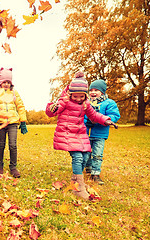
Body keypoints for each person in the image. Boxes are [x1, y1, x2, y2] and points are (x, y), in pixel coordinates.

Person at [45, 72, 116, 200]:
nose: (78, 99)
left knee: (86, 156)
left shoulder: (85, 104)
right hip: (67, 133)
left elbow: (94, 115)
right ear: (70, 94)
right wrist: (51, 107)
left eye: (81, 96)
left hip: (80, 134)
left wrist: (106, 120)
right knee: (78, 157)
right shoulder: (65, 101)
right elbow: (51, 113)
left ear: (85, 95)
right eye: (75, 96)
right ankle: (79, 188)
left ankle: (75, 181)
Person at [84, 79, 120, 185]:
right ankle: (88, 168)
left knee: (97, 154)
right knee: (86, 153)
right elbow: (82, 116)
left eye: (96, 90)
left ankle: (95, 174)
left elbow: (114, 115)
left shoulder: (109, 103)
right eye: (91, 90)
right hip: (86, 133)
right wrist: (87, 121)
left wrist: (107, 120)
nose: (93, 92)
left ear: (102, 92)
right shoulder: (86, 103)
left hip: (99, 134)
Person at [0, 68, 28, 178]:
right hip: (0, 123)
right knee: (1, 145)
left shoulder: (14, 93)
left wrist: (22, 121)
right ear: (0, 82)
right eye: (4, 82)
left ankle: (13, 167)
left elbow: (21, 106)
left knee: (13, 145)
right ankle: (0, 165)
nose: (6, 84)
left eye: (8, 82)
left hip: (13, 122)